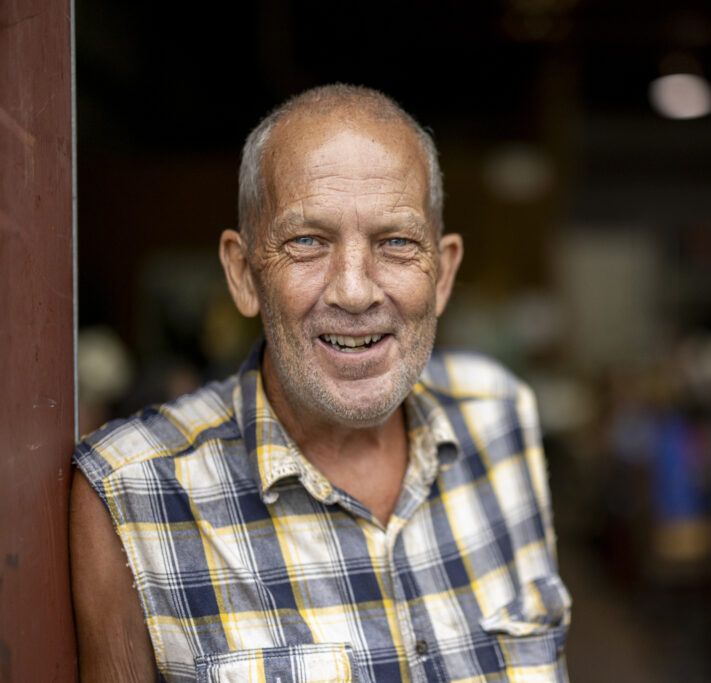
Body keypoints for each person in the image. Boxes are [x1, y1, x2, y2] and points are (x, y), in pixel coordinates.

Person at [70, 84, 571, 683]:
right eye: (307, 241)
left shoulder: (501, 413)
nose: (354, 291)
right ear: (244, 273)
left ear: (443, 275)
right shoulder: (133, 492)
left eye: (396, 242)